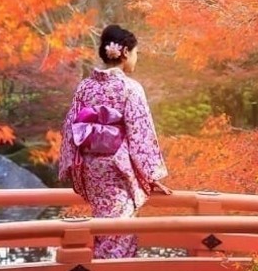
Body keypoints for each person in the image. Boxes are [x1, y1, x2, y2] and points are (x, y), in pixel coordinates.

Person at [58, 24, 172, 258]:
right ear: (126, 52)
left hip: (92, 168)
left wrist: (72, 166)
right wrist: (151, 176)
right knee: (120, 230)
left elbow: (71, 129)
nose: (136, 59)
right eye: (136, 53)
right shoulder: (130, 88)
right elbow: (141, 133)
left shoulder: (85, 87)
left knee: (104, 227)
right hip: (118, 169)